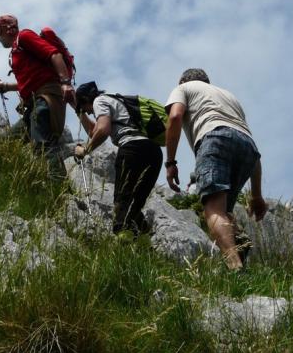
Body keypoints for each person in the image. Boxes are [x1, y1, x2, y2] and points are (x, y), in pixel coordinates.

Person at [164, 68, 268, 270]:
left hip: (214, 138)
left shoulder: (183, 88)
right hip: (247, 146)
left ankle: (234, 267)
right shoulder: (229, 96)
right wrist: (256, 195)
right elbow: (254, 154)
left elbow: (175, 117)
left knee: (213, 209)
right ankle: (240, 245)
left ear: (182, 81)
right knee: (225, 211)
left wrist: (170, 163)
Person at [74, 81, 163, 238]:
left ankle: (125, 241)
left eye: (85, 109)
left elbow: (103, 129)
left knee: (122, 202)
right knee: (135, 204)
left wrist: (85, 150)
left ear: (87, 99)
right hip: (154, 152)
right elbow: (94, 131)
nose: (88, 113)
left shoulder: (99, 101)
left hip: (132, 148)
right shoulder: (116, 101)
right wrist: (78, 112)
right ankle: (144, 241)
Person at [0, 14, 75, 177]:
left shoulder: (24, 37)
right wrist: (7, 86)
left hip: (46, 97)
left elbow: (54, 55)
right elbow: (32, 79)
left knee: (42, 141)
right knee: (6, 143)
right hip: (34, 102)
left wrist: (65, 82)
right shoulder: (16, 51)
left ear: (3, 29)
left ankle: (59, 187)